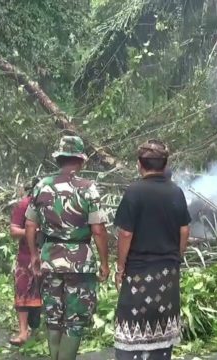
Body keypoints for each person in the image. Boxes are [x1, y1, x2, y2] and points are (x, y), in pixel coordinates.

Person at [25, 135, 110, 360]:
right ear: (81, 161)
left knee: (53, 318)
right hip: (80, 262)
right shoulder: (88, 188)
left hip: (49, 259)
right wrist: (104, 263)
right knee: (75, 321)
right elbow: (98, 230)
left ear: (59, 159)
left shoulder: (42, 186)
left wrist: (34, 255)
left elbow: (30, 224)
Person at [113, 139, 191, 360]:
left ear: (140, 163)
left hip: (138, 271)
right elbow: (184, 231)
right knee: (162, 322)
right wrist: (177, 257)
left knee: (131, 324)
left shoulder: (134, 192)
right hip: (167, 272)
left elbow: (126, 234)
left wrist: (120, 267)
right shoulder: (176, 192)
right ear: (165, 164)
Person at [9, 178, 43, 346]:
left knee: (47, 292)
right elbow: (14, 230)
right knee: (23, 291)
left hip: (50, 255)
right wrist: (31, 232)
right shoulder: (24, 205)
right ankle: (23, 332)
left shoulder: (52, 204)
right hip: (26, 255)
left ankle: (42, 329)